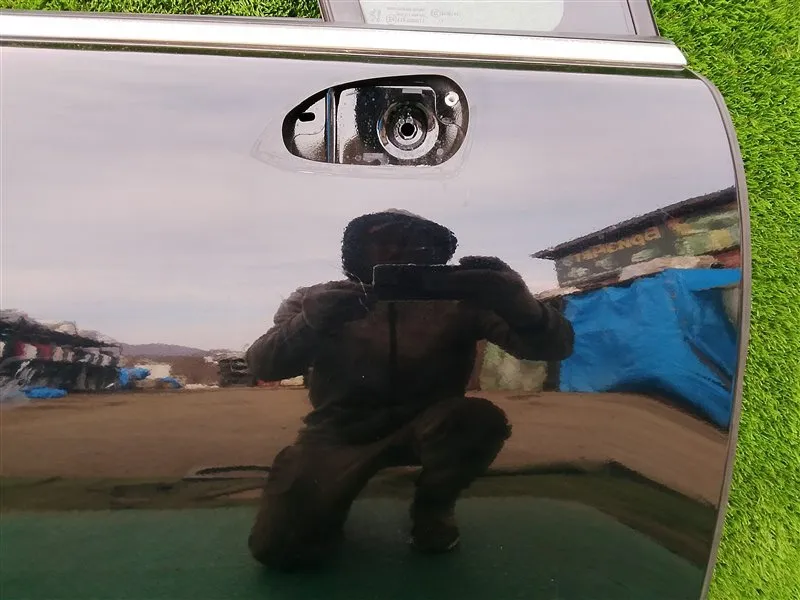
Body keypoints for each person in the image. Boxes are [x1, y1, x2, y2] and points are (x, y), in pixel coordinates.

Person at [245, 209, 574, 571]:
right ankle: (310, 490)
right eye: (384, 240)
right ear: (358, 249)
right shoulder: (316, 299)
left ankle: (434, 506)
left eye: (414, 241)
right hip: (337, 435)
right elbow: (263, 366)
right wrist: (309, 323)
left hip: (431, 425)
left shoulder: (463, 302)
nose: (398, 250)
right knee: (279, 549)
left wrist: (521, 304)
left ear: (436, 253)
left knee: (478, 420)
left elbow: (554, 348)